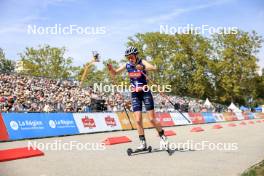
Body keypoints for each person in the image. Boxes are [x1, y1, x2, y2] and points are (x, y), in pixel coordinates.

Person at [108, 46, 169, 150]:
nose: (130, 59)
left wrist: (143, 67)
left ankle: (163, 136)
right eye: (128, 58)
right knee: (137, 120)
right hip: (135, 94)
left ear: (136, 56)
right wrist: (111, 69)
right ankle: (143, 143)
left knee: (151, 119)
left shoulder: (142, 61)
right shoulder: (127, 65)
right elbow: (115, 73)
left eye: (131, 57)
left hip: (145, 92)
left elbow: (154, 68)